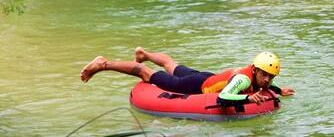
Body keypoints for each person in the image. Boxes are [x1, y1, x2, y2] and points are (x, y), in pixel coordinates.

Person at [80, 47, 295, 103]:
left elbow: (265, 86)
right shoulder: (243, 79)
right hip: (196, 86)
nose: (267, 80)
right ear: (255, 69)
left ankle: (143, 53)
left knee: (170, 63)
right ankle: (103, 63)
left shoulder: (260, 78)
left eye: (271, 77)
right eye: (264, 75)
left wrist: (278, 90)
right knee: (145, 73)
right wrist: (247, 98)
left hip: (207, 78)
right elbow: (224, 97)